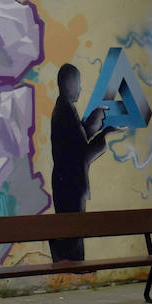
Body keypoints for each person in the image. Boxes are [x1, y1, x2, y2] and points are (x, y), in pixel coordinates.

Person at [50, 63, 111, 262]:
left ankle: (70, 267)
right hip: (70, 186)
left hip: (67, 184)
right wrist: (105, 135)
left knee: (72, 234)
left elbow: (78, 141)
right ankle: (72, 271)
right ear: (68, 84)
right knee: (72, 238)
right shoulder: (65, 111)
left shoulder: (65, 108)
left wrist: (94, 121)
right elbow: (81, 153)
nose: (80, 88)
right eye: (77, 83)